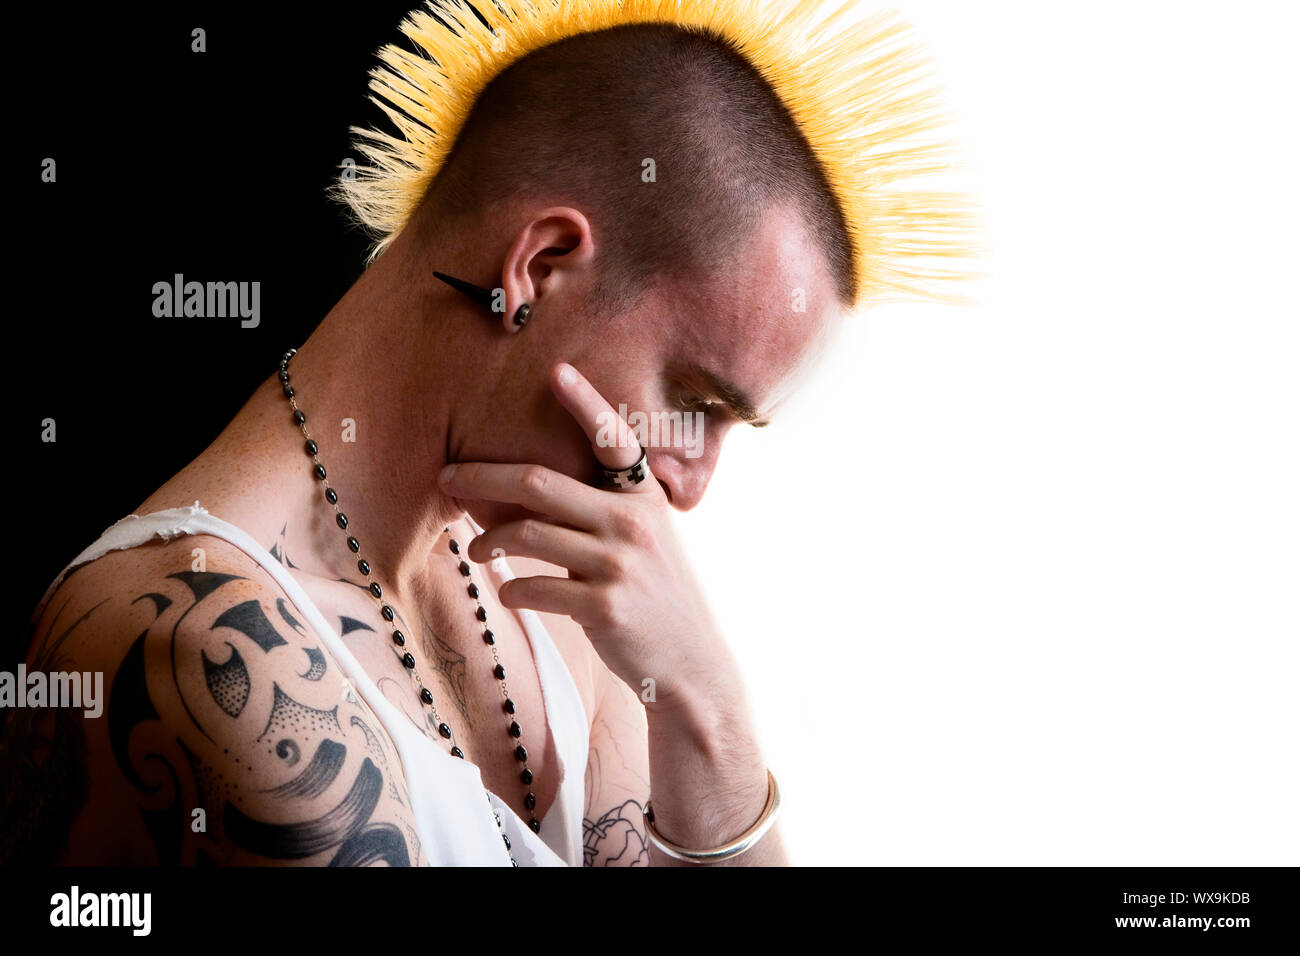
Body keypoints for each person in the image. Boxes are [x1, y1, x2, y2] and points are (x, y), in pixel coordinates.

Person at [3, 0, 972, 866]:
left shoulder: (547, 580)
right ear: (538, 265)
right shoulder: (210, 651)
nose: (687, 485)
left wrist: (708, 708)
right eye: (695, 401)